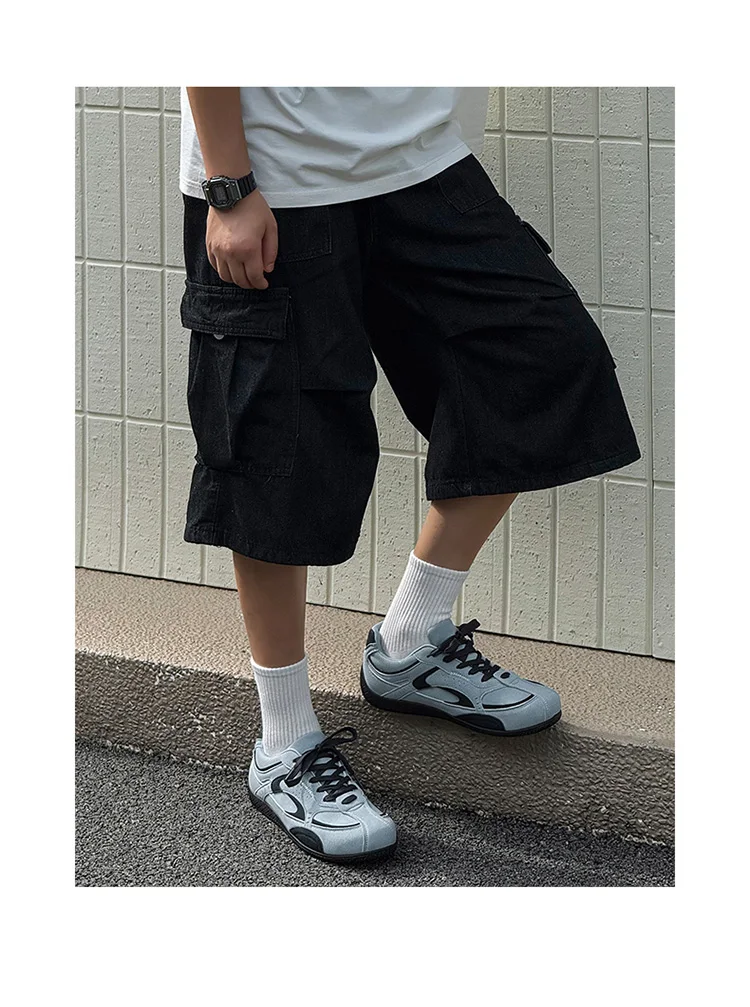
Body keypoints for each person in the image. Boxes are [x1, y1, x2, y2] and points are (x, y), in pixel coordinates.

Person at [179, 87, 641, 864]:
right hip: (276, 177)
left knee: (536, 361)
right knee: (275, 453)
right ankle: (284, 744)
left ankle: (409, 641)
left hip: (418, 159)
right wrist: (229, 184)